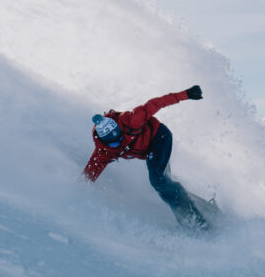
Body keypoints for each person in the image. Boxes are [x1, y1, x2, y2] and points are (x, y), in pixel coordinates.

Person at [83, 85, 207, 228]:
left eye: (120, 137)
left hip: (160, 138)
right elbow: (89, 173)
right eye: (115, 143)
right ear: (105, 143)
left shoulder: (131, 120)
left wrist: (186, 94)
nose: (120, 143)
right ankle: (189, 203)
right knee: (162, 182)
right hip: (148, 153)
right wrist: (78, 193)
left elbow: (157, 103)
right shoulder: (103, 152)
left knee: (157, 180)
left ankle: (192, 217)